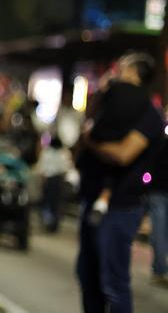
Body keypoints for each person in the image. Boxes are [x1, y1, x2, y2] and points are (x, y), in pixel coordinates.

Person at [76, 52, 166, 313]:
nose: (116, 74)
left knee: (113, 281)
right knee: (87, 275)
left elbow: (124, 153)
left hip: (122, 206)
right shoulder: (108, 104)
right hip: (93, 199)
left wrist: (91, 141)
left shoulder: (150, 115)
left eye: (122, 69)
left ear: (134, 74)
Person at [148, 123, 168, 287]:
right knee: (162, 231)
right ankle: (159, 268)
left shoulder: (161, 142)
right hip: (158, 191)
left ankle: (160, 269)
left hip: (158, 190)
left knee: (159, 230)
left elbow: (151, 166)